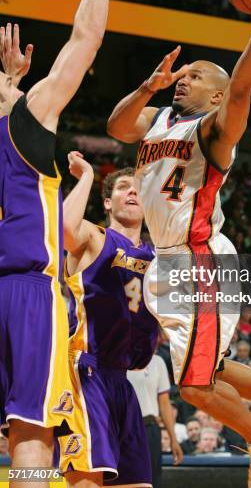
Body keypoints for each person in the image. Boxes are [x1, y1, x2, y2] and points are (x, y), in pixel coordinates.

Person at [107, 0, 251, 487]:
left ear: (216, 94)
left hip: (199, 259)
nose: (183, 81)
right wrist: (149, 86)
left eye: (194, 76)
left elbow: (245, 88)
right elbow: (118, 127)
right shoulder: (158, 118)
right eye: (181, 76)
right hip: (163, 263)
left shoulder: (213, 129)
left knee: (194, 387)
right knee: (214, 368)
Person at [0, 0, 109, 486]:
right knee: (32, 435)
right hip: (28, 293)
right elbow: (86, 37)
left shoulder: (15, 114)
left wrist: (8, 87)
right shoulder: (28, 120)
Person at [57, 152, 159, 487]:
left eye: (140, 189)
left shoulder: (157, 258)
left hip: (123, 382)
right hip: (86, 373)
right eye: (124, 187)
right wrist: (85, 175)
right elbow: (64, 229)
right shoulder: (95, 237)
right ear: (106, 202)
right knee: (88, 480)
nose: (133, 192)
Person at [127, 354, 183, 488]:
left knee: (151, 480)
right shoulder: (115, 358)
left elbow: (164, 404)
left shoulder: (157, 361)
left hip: (149, 427)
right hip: (122, 429)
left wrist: (173, 439)